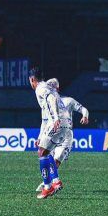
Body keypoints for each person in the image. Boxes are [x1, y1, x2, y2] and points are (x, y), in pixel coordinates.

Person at [36, 78, 89, 192]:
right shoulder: (46, 104)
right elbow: (44, 122)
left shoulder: (68, 101)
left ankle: (51, 183)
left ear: (57, 88)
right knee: (46, 154)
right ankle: (53, 182)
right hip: (52, 131)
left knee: (55, 161)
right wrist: (40, 137)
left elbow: (84, 109)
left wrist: (85, 116)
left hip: (66, 135)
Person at [28, 67, 69, 199]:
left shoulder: (40, 88)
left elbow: (51, 99)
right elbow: (45, 118)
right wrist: (40, 136)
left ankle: (47, 187)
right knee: (46, 151)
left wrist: (56, 118)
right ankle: (56, 181)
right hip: (64, 123)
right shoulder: (48, 87)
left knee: (42, 152)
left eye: (30, 81)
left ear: (32, 79)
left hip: (58, 122)